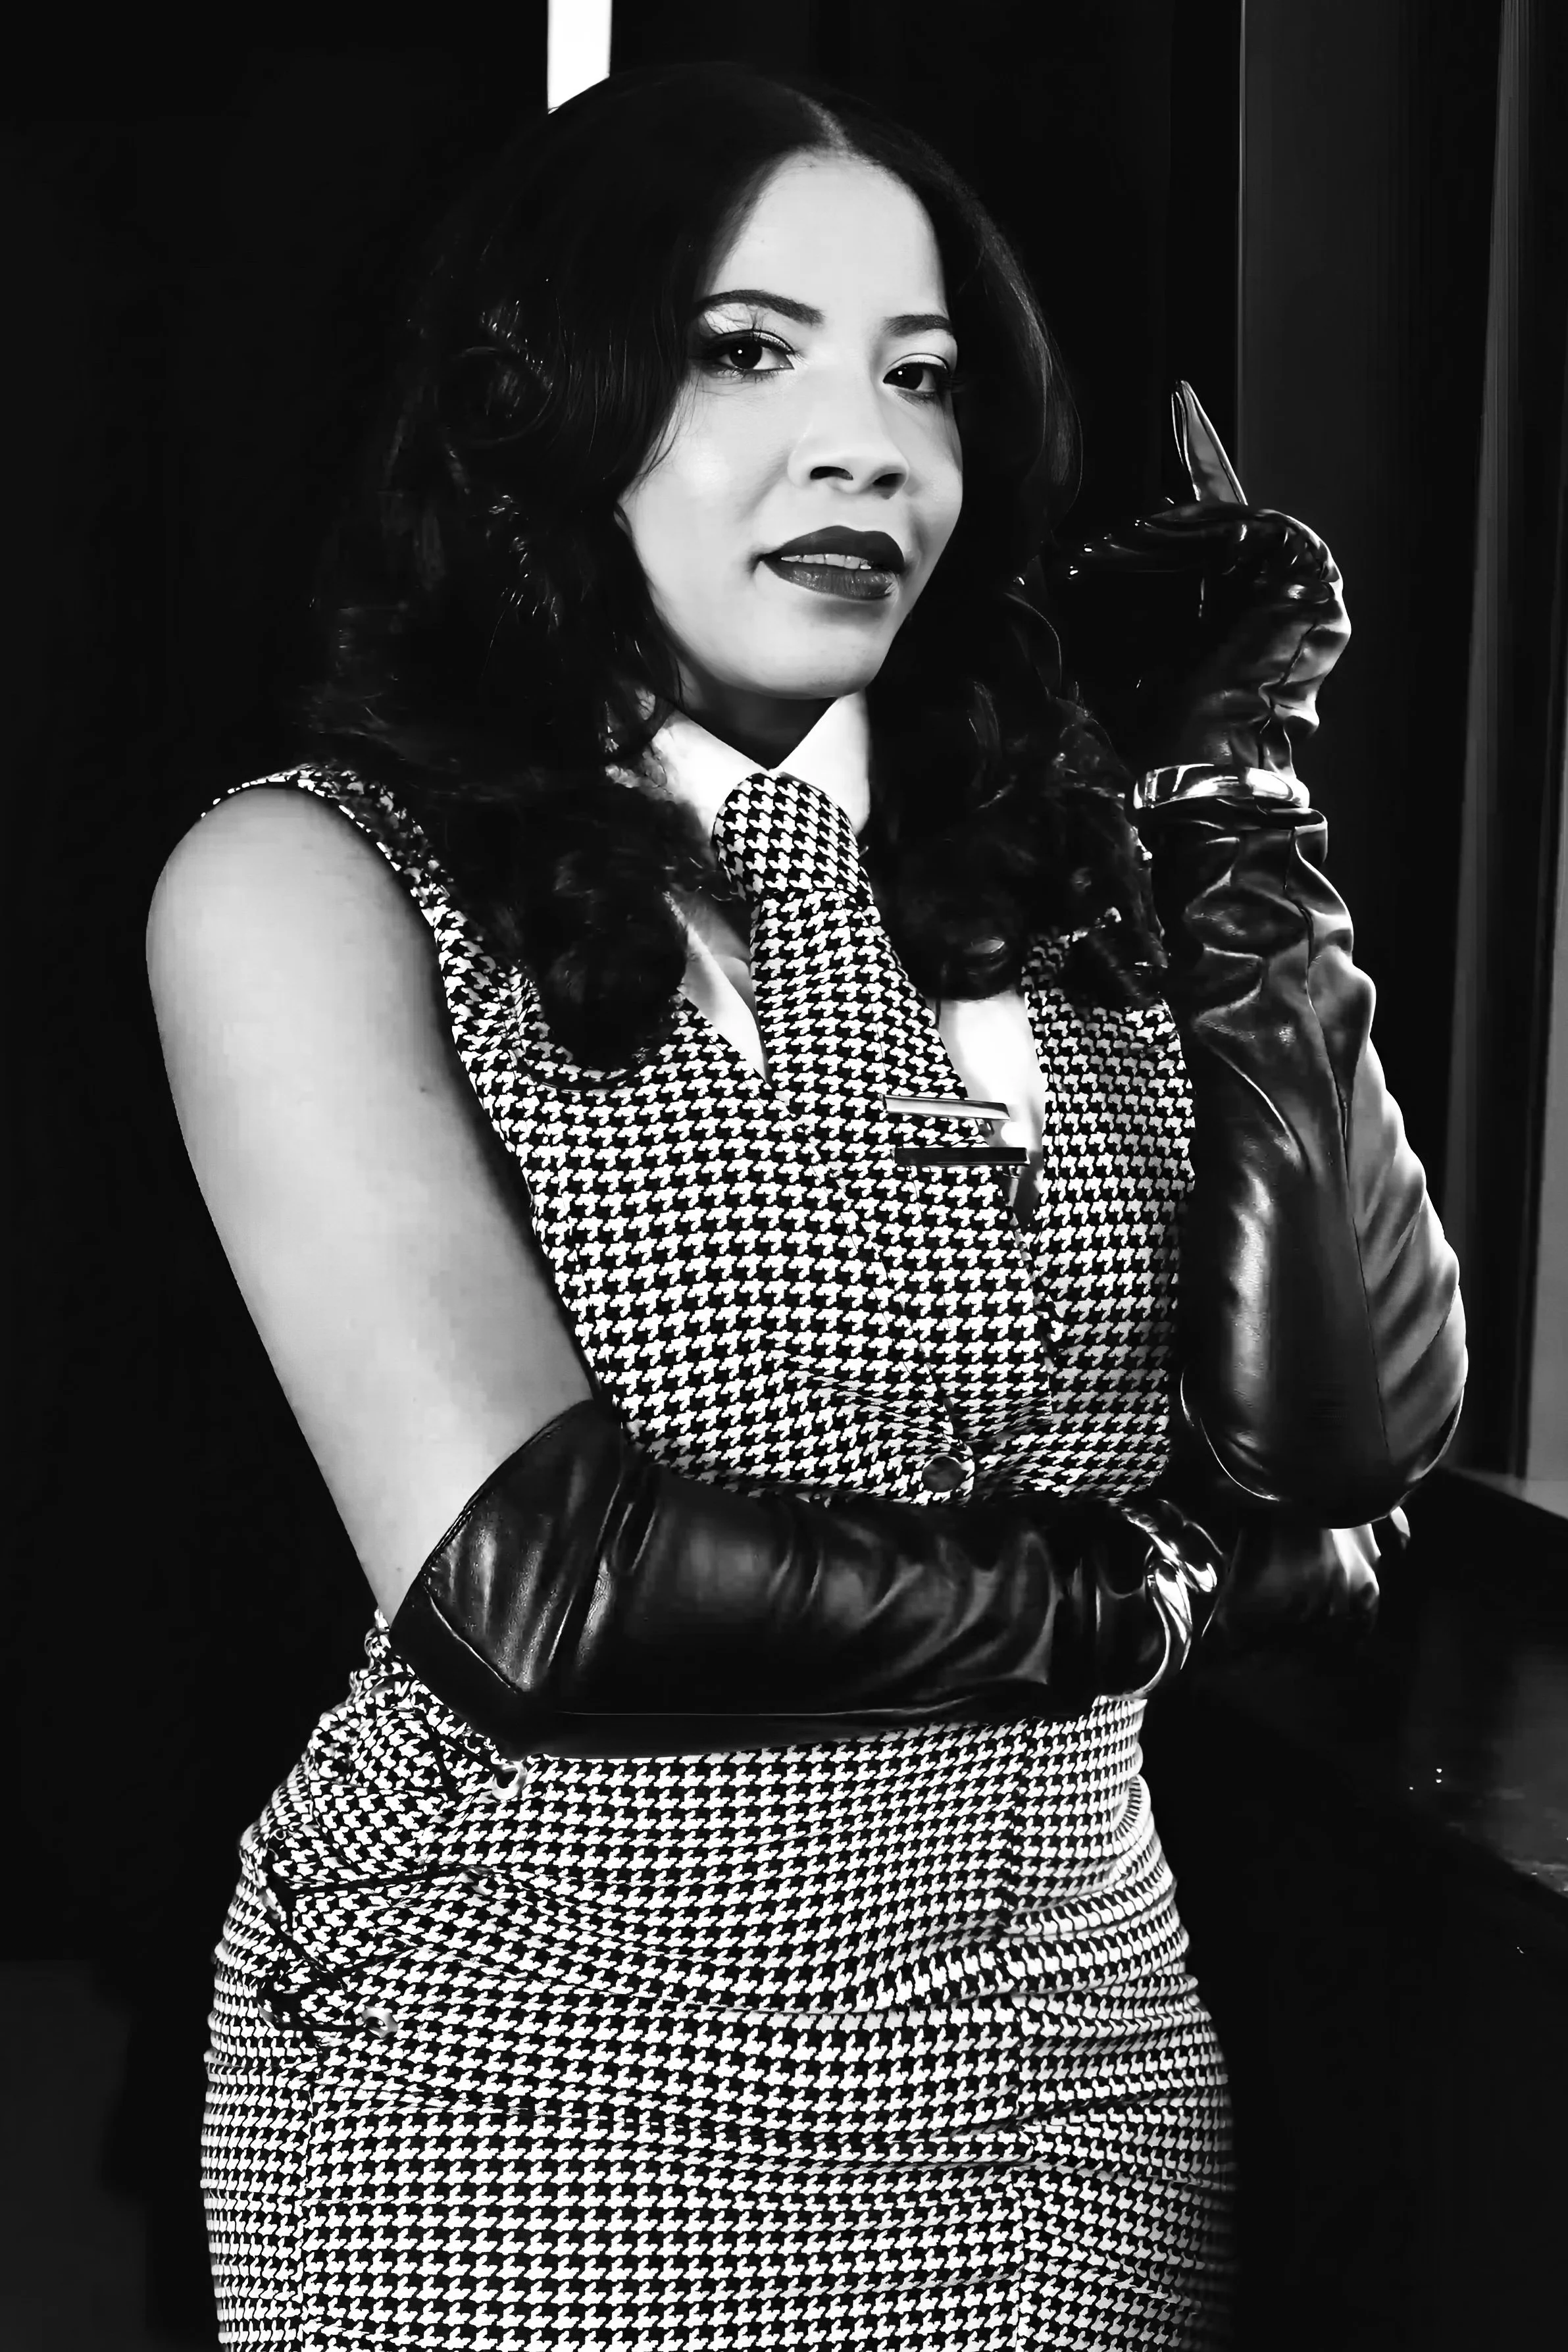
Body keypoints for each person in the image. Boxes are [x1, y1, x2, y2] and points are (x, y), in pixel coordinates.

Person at [145, 58, 1465, 2351]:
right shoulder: (314, 878)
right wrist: (1146, 1585)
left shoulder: (1066, 887)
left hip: (1087, 2092)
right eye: (747, 349)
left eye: (920, 376)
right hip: (538, 2099)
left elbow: (1345, 1447)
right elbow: (537, 1579)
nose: (865, 440)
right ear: (542, 402)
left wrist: (1238, 810)